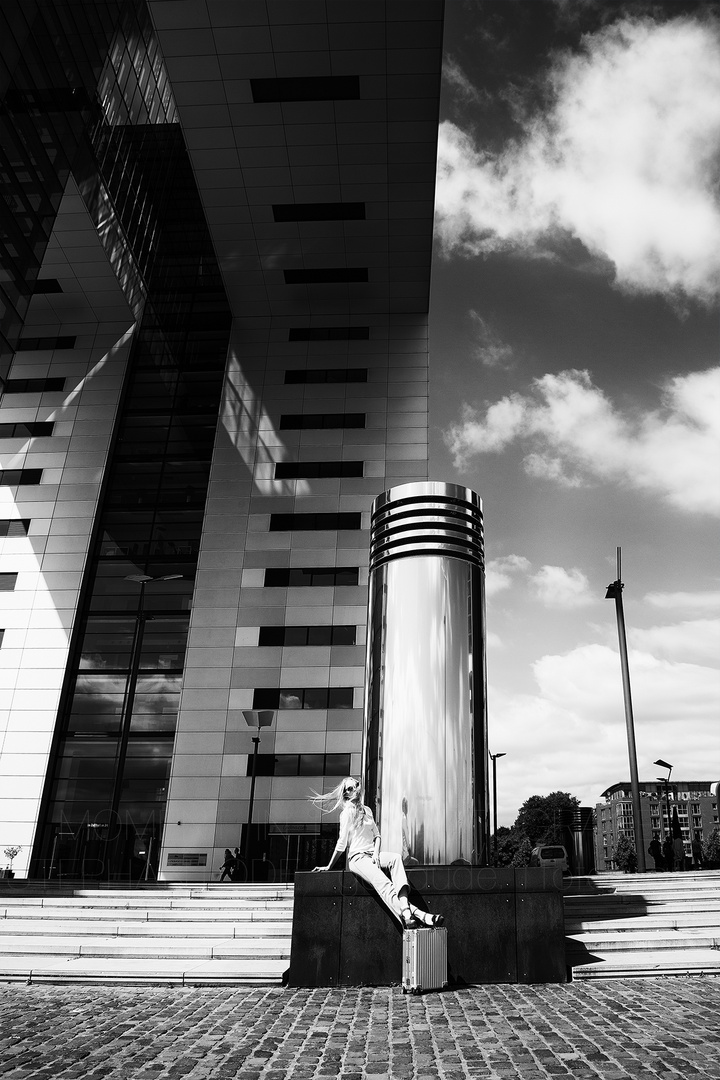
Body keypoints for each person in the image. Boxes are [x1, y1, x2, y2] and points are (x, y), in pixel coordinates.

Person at [310, 777, 443, 929]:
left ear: (357, 787)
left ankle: (408, 909)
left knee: (395, 858)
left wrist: (375, 854)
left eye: (352, 786)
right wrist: (329, 866)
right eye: (346, 789)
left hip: (372, 854)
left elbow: (377, 835)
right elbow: (341, 843)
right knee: (384, 884)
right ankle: (416, 914)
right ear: (345, 795)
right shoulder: (346, 813)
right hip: (357, 858)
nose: (350, 790)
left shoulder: (367, 810)